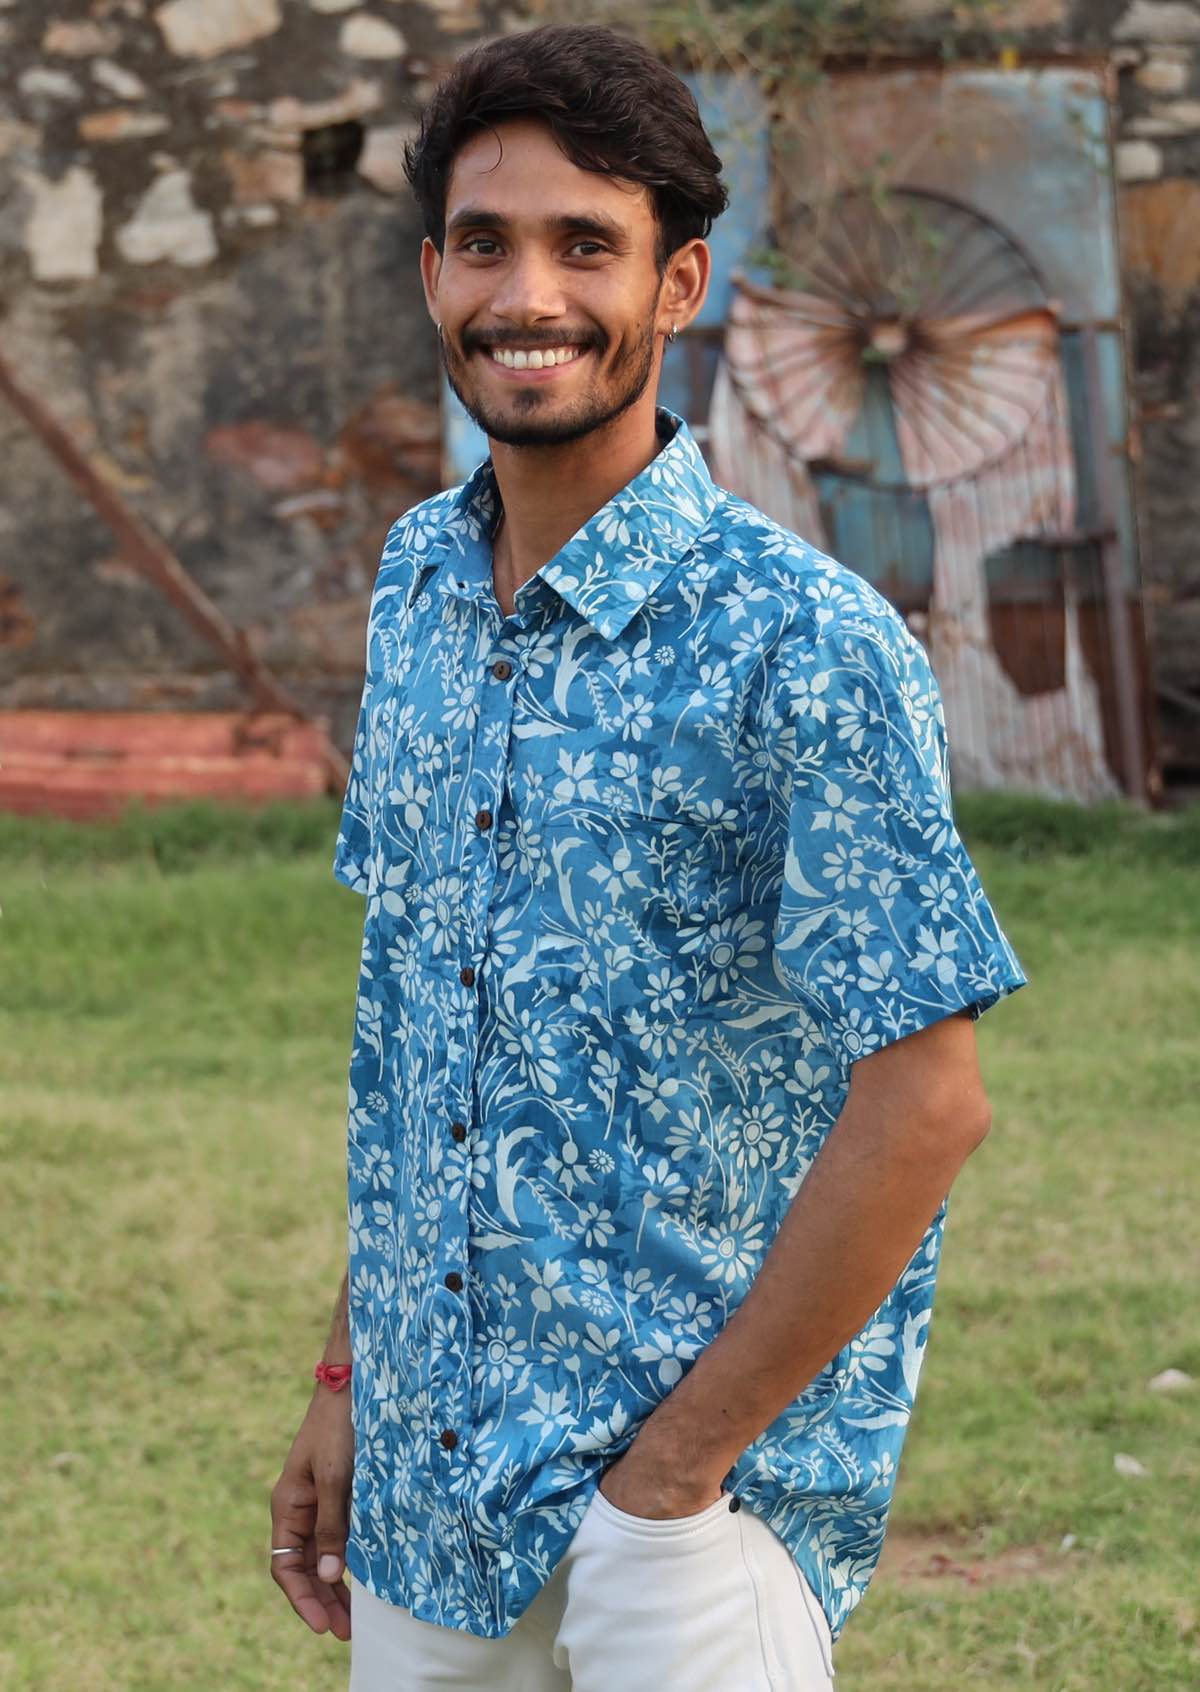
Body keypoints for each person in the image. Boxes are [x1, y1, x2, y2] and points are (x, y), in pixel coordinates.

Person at [269, 22, 1027, 1690]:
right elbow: (422, 1031)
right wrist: (347, 1386)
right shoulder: (414, 589)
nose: (527, 294)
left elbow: (930, 1099)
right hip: (429, 1499)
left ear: (678, 288)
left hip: (679, 1529)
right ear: (430, 274)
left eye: (585, 245)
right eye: (487, 243)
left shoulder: (803, 643)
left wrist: (671, 1481)